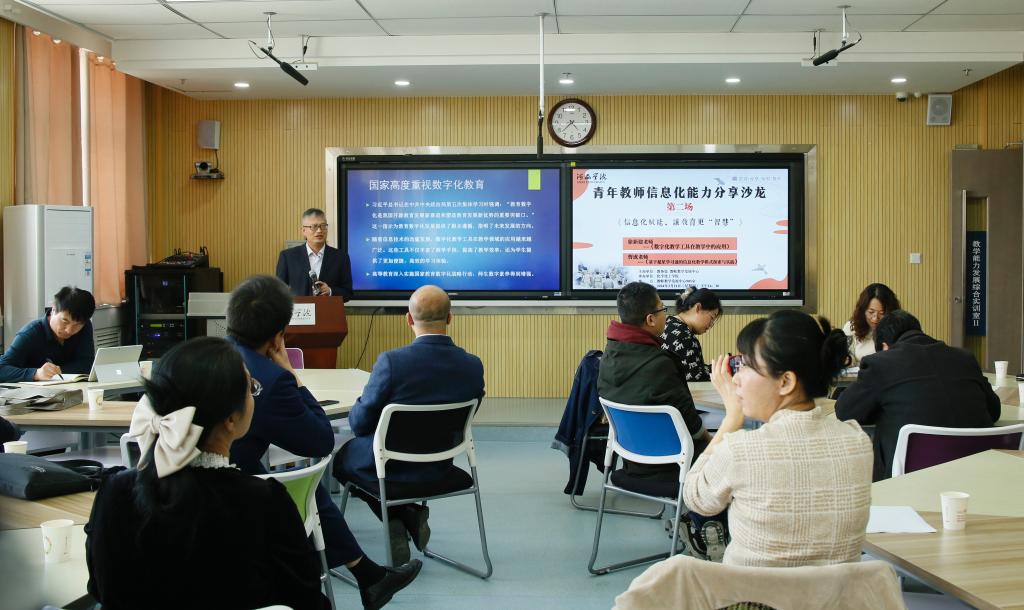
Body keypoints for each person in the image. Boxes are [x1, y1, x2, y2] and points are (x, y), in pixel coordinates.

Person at [85, 337, 330, 610]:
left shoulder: (114, 491)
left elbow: (99, 588)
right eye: (251, 388)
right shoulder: (265, 502)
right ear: (231, 419)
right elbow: (308, 601)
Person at [225, 275, 419, 610]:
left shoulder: (211, 355)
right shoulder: (269, 380)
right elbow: (319, 440)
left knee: (306, 488)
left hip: (197, 474)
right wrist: (292, 375)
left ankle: (368, 575)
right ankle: (365, 576)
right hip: (231, 492)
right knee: (305, 484)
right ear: (278, 335)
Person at [684, 310, 873, 567]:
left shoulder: (741, 450)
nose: (736, 378)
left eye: (747, 365)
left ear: (785, 381)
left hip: (750, 592)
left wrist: (732, 419)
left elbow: (695, 497)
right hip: (837, 591)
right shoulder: (857, 441)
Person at [334, 285, 485, 565]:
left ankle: (400, 515)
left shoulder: (392, 362)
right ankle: (406, 514)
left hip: (389, 468)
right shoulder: (473, 366)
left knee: (341, 461)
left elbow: (359, 423)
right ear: (450, 318)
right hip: (440, 466)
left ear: (408, 319)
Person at [835, 310, 1001, 481]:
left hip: (910, 480)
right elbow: (994, 411)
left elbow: (845, 411)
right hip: (979, 475)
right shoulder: (965, 358)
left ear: (884, 347)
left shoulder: (881, 363)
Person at [598, 282, 711, 479]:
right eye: (662, 309)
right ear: (651, 319)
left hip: (630, 457)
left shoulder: (608, 354)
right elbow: (692, 425)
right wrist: (712, 441)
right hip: (672, 463)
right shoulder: (661, 363)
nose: (666, 315)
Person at [0, 286, 96, 382]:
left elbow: (87, 364)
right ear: (54, 309)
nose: (69, 330)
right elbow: (2, 369)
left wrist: (59, 371)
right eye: (65, 321)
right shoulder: (30, 333)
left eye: (77, 325)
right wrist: (35, 374)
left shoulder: (85, 326)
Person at [276, 207, 353, 301]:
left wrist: (330, 291)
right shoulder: (288, 257)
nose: (319, 230)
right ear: (304, 231)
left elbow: (348, 293)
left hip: (328, 310)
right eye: (314, 226)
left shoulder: (341, 257)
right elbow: (278, 292)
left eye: (323, 226)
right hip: (299, 310)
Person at [661, 287, 722, 382]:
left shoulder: (667, 322)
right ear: (698, 308)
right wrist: (722, 370)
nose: (711, 325)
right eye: (712, 317)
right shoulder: (685, 336)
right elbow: (695, 375)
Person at [843, 283, 900, 365]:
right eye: (871, 312)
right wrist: (846, 360)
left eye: (882, 313)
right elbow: (848, 358)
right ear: (863, 311)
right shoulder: (852, 327)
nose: (875, 318)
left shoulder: (898, 329)